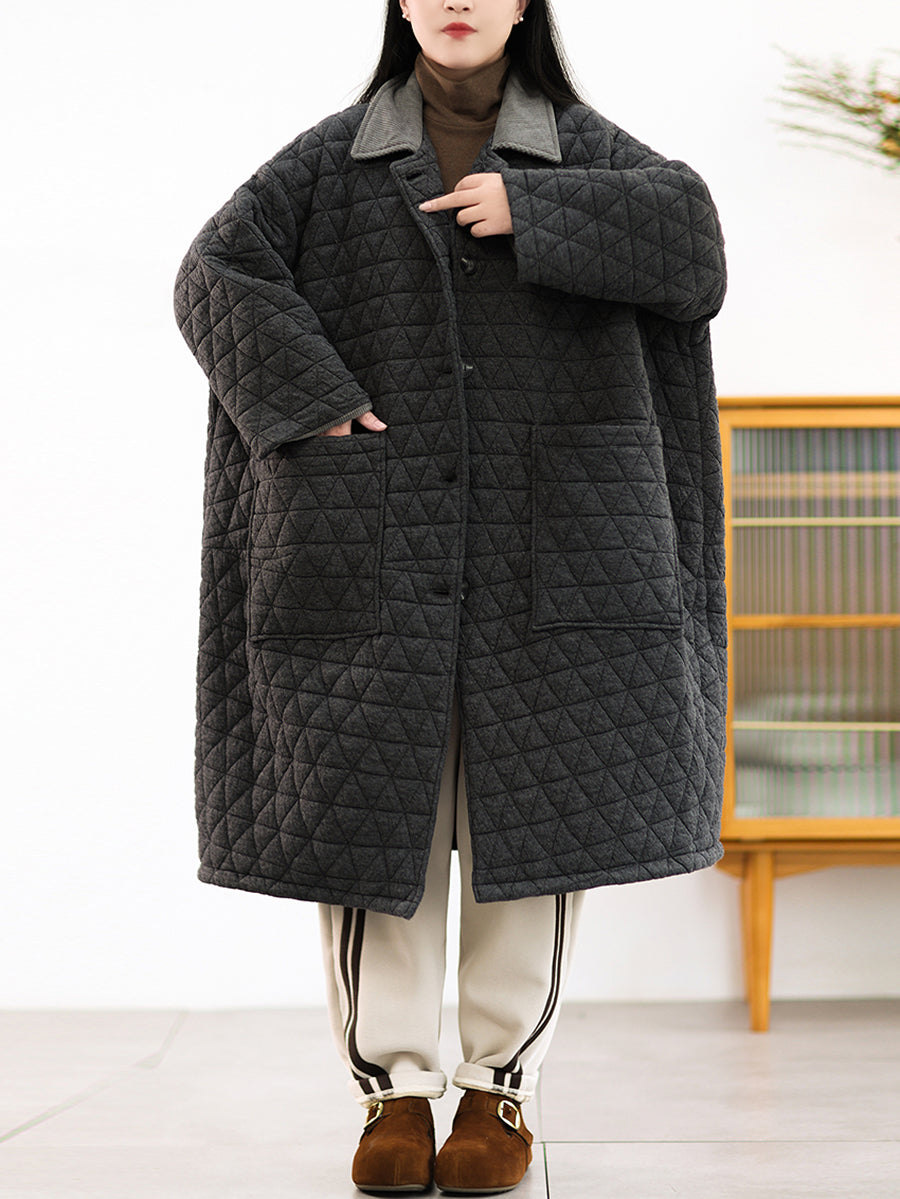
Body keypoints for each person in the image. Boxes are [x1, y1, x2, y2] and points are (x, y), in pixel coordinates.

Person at [173, 0, 728, 1193]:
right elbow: (212, 272)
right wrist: (313, 399)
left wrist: (538, 211)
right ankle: (393, 1091)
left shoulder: (587, 151)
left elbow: (695, 248)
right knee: (383, 815)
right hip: (373, 534)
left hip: (560, 538)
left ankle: (498, 1086)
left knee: (539, 810)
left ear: (525, 3)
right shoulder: (331, 160)